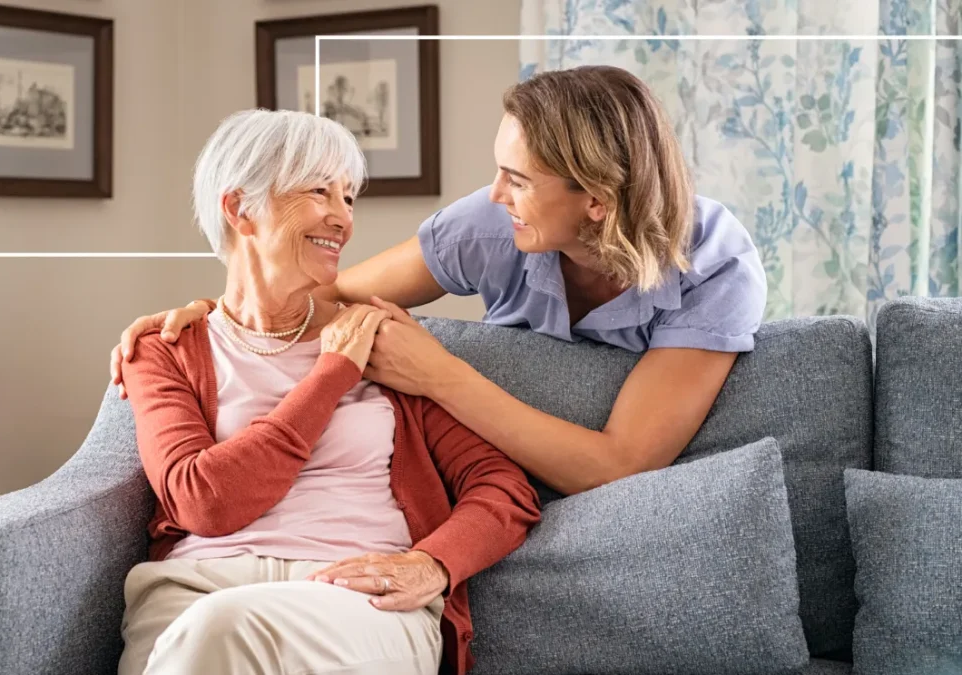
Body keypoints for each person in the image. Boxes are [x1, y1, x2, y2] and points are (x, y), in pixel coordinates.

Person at [112, 65, 768, 497]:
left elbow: (622, 465)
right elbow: (325, 299)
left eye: (519, 179)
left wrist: (438, 373)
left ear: (596, 199)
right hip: (488, 477)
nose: (493, 192)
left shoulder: (714, 263)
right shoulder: (489, 225)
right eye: (498, 168)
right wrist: (213, 314)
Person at [116, 108, 540, 675]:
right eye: (320, 192)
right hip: (193, 591)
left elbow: (502, 488)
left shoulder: (381, 341)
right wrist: (331, 374)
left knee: (219, 633)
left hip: (353, 594)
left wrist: (433, 565)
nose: (343, 219)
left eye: (349, 198)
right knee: (207, 631)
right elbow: (203, 502)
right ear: (240, 209)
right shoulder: (165, 347)